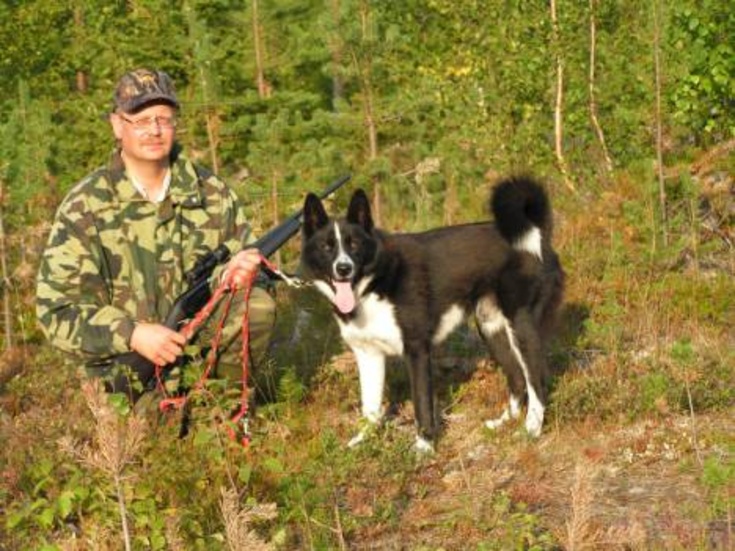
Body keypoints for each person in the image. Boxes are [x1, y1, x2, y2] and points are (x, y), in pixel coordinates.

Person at [36, 68, 276, 406]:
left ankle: (225, 410)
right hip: (122, 372)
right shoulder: (85, 205)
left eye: (164, 118)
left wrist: (240, 275)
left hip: (198, 357)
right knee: (138, 440)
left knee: (257, 305)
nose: (154, 129)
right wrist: (133, 334)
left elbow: (260, 275)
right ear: (117, 124)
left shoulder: (212, 193)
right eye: (141, 119)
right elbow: (56, 311)